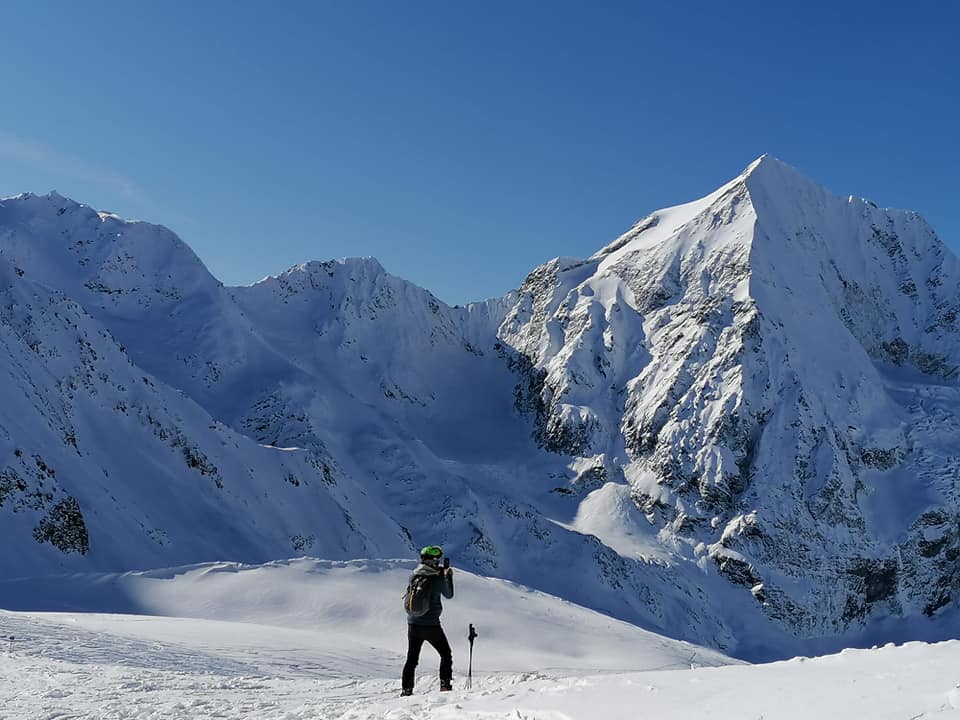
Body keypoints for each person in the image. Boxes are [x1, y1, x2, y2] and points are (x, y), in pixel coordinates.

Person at [401, 545, 454, 696]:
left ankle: (406, 690)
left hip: (413, 624)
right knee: (445, 654)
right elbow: (449, 594)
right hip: (431, 625)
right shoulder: (436, 579)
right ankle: (445, 685)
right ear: (434, 561)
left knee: (412, 659)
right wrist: (448, 576)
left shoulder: (415, 574)